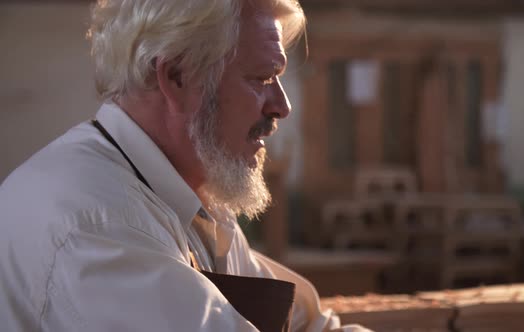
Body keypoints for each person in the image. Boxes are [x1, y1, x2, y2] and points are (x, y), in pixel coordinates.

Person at [0, 0, 372, 331]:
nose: (281, 105)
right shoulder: (99, 226)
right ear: (177, 77)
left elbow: (308, 325)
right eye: (261, 78)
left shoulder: (189, 192)